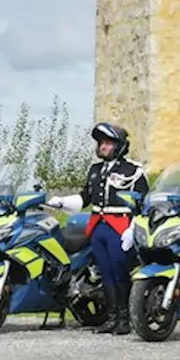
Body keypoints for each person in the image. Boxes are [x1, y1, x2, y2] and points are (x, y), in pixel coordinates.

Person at [49, 123, 149, 335]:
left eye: (108, 143)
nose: (103, 147)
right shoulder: (95, 170)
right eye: (101, 143)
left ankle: (125, 318)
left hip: (120, 225)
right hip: (98, 226)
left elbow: (143, 204)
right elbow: (85, 198)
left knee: (119, 271)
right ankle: (111, 317)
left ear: (120, 146)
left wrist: (133, 229)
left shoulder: (133, 171)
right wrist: (62, 202)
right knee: (105, 272)